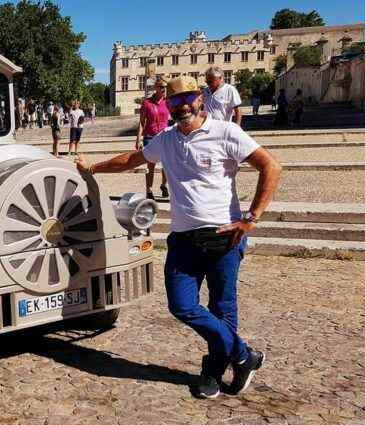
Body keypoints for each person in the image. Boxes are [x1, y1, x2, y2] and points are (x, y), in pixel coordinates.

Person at [74, 77, 281, 400]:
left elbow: (270, 166)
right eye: (175, 101)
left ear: (200, 99)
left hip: (224, 237)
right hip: (184, 239)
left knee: (222, 308)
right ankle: (244, 355)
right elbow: (131, 160)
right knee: (181, 305)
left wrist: (251, 218)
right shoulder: (167, 140)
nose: (182, 106)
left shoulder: (227, 132)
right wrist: (93, 168)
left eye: (188, 98)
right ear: (167, 105)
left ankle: (212, 370)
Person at [136, 78, 170, 199]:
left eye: (165, 87)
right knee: (151, 165)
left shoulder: (168, 102)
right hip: (150, 136)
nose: (164, 89)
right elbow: (141, 122)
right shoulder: (147, 103)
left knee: (167, 164)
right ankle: (149, 189)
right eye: (161, 87)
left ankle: (163, 185)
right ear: (156, 88)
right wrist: (138, 139)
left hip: (165, 137)